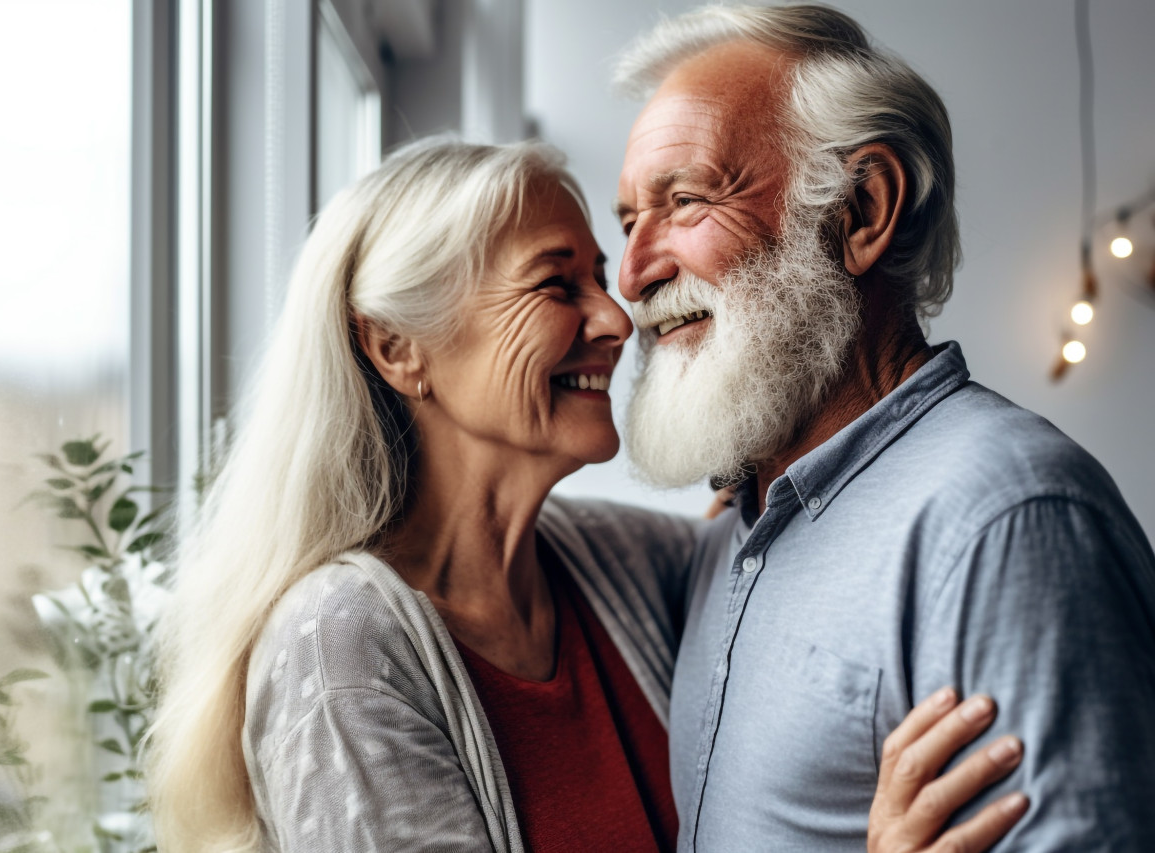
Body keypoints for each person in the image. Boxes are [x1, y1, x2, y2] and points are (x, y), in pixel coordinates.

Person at [145, 139, 1023, 852]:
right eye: (556, 284)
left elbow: (800, 526)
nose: (615, 318)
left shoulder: (619, 561)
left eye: (601, 277)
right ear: (397, 347)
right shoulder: (337, 645)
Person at [612, 4, 1155, 851]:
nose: (632, 273)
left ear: (862, 209)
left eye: (684, 201)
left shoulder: (1006, 520)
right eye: (626, 221)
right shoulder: (740, 523)